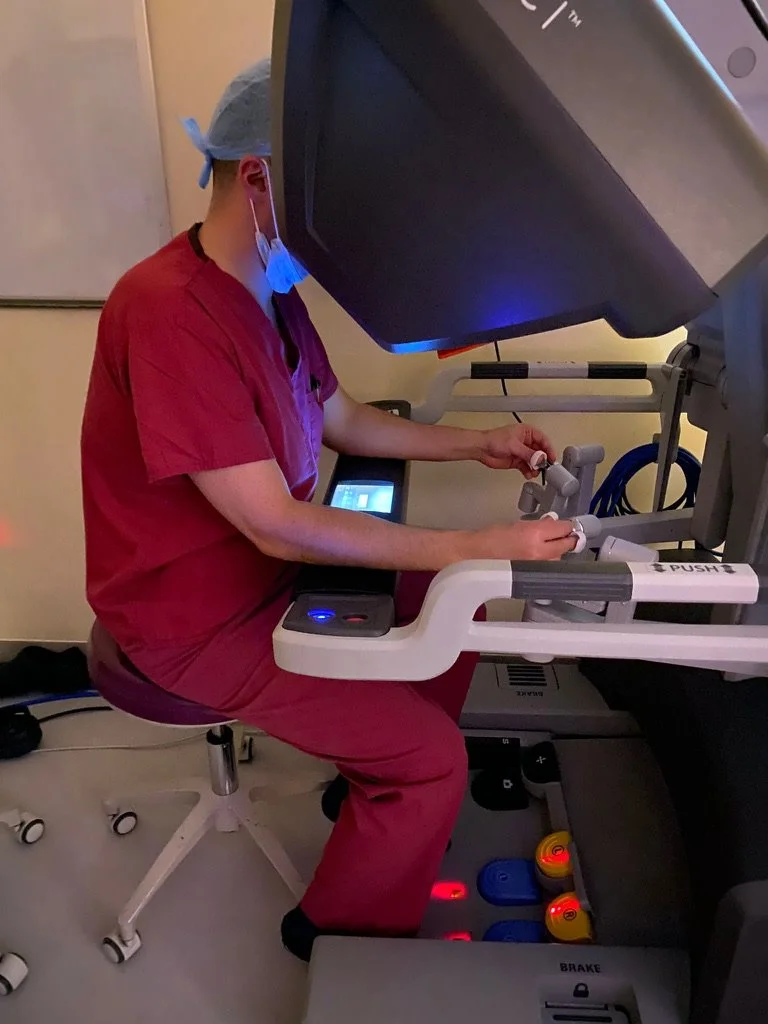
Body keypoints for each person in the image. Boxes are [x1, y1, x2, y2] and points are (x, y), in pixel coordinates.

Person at [81, 58, 577, 961]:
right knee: (435, 761)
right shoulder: (166, 312)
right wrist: (471, 540)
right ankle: (333, 932)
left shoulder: (270, 292)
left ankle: (369, 777)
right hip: (191, 620)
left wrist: (478, 442)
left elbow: (340, 416)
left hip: (265, 575)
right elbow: (272, 519)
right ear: (260, 176)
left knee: (443, 610)